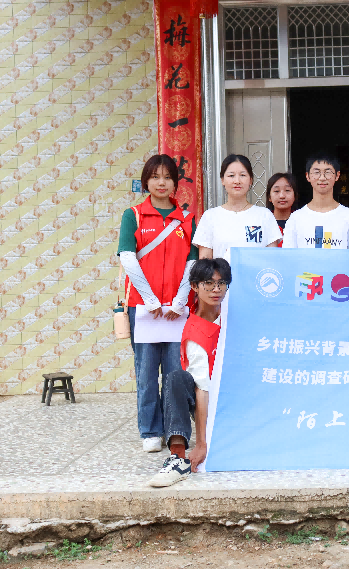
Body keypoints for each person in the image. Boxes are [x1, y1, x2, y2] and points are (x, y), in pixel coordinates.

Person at [118, 154, 198, 453]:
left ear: (176, 182)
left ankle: (175, 429)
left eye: (167, 177)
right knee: (147, 372)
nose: (161, 183)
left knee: (176, 373)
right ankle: (150, 430)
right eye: (155, 177)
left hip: (177, 309)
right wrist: (150, 298)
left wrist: (180, 299)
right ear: (145, 182)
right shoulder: (133, 215)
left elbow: (192, 261)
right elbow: (128, 257)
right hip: (143, 308)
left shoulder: (187, 219)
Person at [149, 258, 231, 487]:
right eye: (209, 283)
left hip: (238, 394)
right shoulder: (195, 332)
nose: (216, 289)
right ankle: (178, 457)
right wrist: (202, 444)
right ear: (194, 286)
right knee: (175, 379)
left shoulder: (234, 315)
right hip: (210, 401)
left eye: (222, 283)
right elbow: (203, 389)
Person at [193, 154, 282, 261]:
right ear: (222, 180)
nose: (237, 181)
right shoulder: (210, 216)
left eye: (243, 175)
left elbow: (272, 259)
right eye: (231, 176)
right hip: (222, 272)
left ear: (251, 180)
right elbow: (205, 263)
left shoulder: (264, 215)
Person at [282, 153, 349, 249]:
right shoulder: (296, 218)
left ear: (337, 175)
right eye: (316, 172)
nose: (322, 178)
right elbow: (288, 256)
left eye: (328, 172)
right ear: (307, 176)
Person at [266, 172, 298, 236]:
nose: (282, 196)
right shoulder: (263, 221)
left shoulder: (302, 221)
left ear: (295, 196)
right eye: (276, 191)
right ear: (269, 197)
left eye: (287, 190)